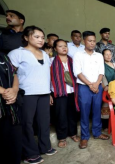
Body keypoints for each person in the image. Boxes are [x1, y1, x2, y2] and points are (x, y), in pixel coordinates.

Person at [8, 25, 57, 164]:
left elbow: (46, 75)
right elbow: (11, 74)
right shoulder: (17, 53)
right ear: (26, 37)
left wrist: (49, 93)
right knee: (27, 123)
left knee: (44, 122)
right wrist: (13, 90)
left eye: (42, 37)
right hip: (27, 93)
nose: (40, 40)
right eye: (36, 37)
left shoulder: (46, 55)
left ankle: (45, 146)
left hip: (44, 92)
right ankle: (30, 153)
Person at [73, 31, 110, 149]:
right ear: (84, 41)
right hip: (84, 87)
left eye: (94, 41)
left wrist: (96, 84)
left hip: (97, 86)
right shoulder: (78, 55)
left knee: (96, 110)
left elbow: (101, 72)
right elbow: (77, 72)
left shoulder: (99, 56)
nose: (92, 43)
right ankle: (84, 137)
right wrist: (90, 84)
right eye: (89, 41)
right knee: (84, 112)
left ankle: (97, 133)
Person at [50, 39, 80, 148]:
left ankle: (73, 133)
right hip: (59, 92)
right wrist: (49, 93)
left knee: (72, 114)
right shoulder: (51, 61)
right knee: (60, 115)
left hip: (72, 91)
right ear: (55, 49)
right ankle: (62, 137)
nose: (64, 48)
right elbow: (48, 78)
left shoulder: (72, 60)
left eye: (65, 46)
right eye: (60, 46)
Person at [0, 54, 22, 164]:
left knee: (13, 140)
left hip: (11, 106)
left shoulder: (4, 57)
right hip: (3, 103)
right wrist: (5, 92)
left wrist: (14, 90)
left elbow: (14, 74)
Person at [101, 49, 115, 130]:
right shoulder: (101, 66)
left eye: (110, 54)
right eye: (106, 54)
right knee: (106, 106)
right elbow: (101, 77)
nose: (108, 56)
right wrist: (105, 86)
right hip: (107, 89)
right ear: (103, 56)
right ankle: (105, 125)